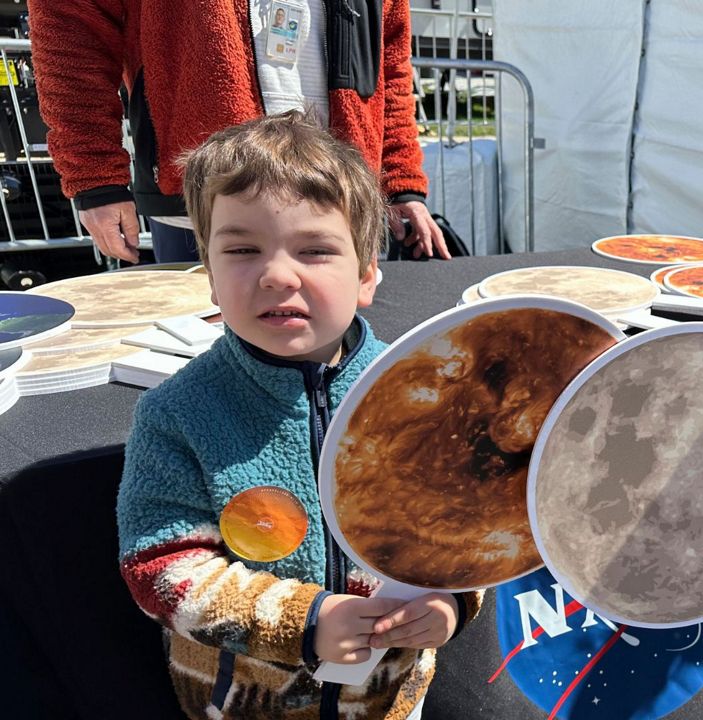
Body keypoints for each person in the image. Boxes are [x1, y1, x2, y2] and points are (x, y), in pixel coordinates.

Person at [116, 112, 479, 720]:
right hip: (243, 705)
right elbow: (160, 566)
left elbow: (475, 530)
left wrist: (451, 602)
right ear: (208, 274)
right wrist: (303, 621)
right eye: (241, 249)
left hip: (391, 700)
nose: (278, 274)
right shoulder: (176, 415)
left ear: (366, 276)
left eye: (314, 250)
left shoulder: (424, 394)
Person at [27, 0, 449, 264]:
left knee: (340, 374)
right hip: (207, 201)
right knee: (208, 378)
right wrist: (96, 178)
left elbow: (388, 61)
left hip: (341, 201)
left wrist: (399, 183)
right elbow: (70, 27)